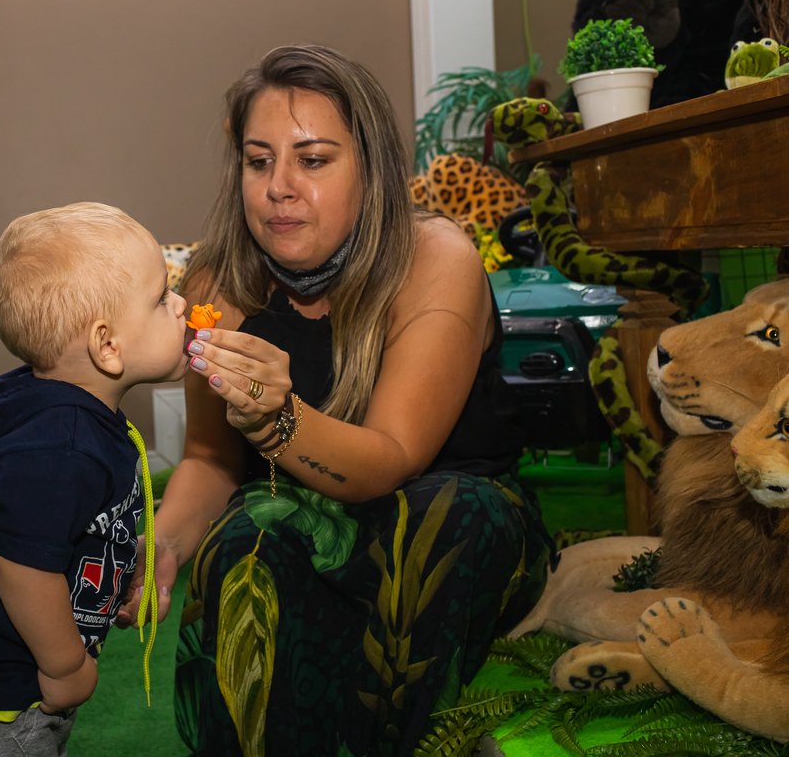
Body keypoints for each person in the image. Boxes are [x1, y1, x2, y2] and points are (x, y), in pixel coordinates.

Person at [115, 46, 555, 756]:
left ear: (371, 169)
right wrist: (163, 543)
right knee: (246, 534)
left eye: (313, 160)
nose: (279, 187)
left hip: (457, 513)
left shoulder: (436, 257)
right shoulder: (214, 284)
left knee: (436, 518)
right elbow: (209, 459)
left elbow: (391, 460)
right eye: (259, 162)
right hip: (310, 515)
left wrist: (276, 419)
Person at [0, 202, 190, 757]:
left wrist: (123, 568)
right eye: (161, 298)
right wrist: (64, 668)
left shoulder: (75, 419)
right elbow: (25, 569)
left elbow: (77, 526)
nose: (180, 304)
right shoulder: (58, 448)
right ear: (107, 346)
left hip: (20, 674)